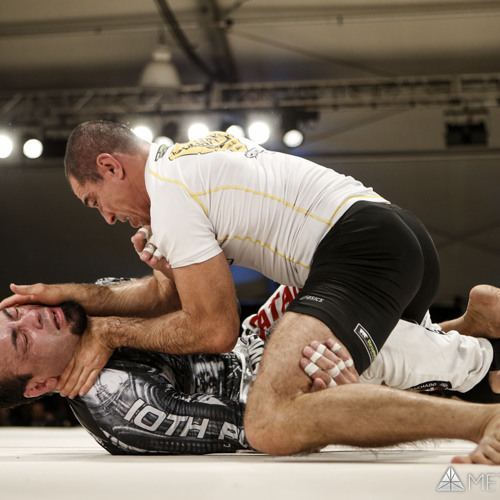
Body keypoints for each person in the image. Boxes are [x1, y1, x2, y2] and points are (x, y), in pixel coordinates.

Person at [6, 120, 500, 462]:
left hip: (360, 253)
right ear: (37, 386)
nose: (108, 218)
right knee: (336, 359)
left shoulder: (170, 197)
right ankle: (475, 332)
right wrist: (71, 292)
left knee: (272, 421)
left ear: (112, 167)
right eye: (20, 334)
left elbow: (215, 329)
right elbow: (164, 300)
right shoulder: (184, 160)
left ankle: (484, 419)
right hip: (388, 234)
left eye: (95, 201)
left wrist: (111, 331)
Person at [1, 279, 499, 457]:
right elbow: (259, 425)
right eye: (21, 338)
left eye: (12, 314)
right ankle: (486, 364)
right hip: (271, 383)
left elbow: (188, 300)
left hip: (253, 335)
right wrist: (332, 401)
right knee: (330, 348)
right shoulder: (118, 400)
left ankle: (465, 331)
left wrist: (164, 261)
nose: (30, 317)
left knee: (319, 271)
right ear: (40, 386)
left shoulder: (86, 315)